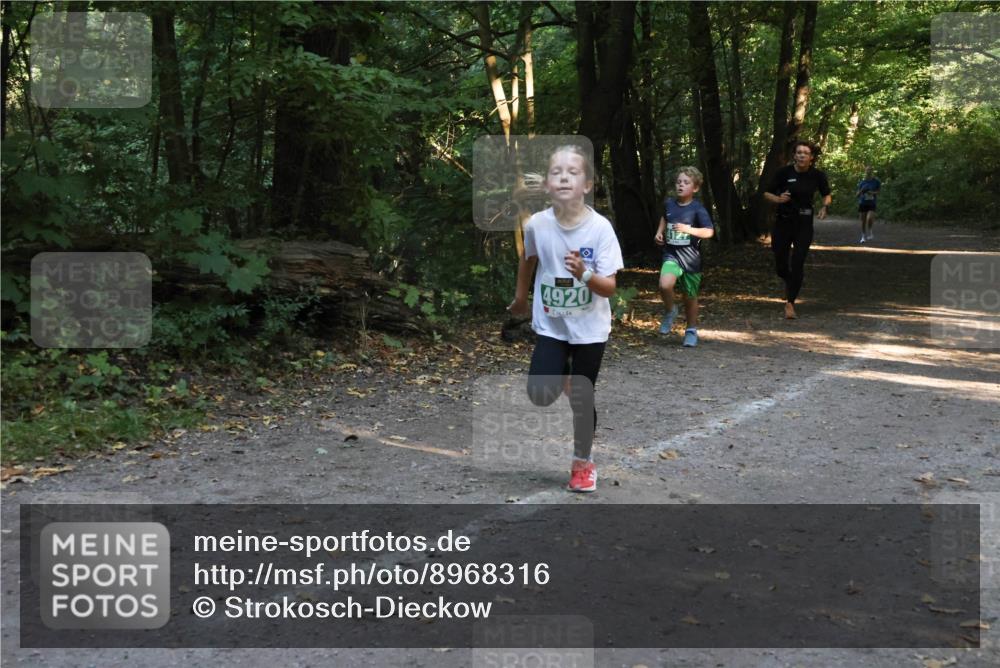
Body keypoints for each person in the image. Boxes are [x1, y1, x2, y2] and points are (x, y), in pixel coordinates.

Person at [508, 145, 624, 493]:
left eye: (572, 172)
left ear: (586, 185)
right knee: (539, 392)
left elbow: (610, 288)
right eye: (556, 172)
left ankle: (582, 463)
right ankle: (564, 379)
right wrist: (520, 298)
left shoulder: (600, 229)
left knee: (582, 398)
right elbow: (528, 260)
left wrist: (584, 274)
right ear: (546, 184)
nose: (563, 177)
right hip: (553, 324)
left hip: (590, 330)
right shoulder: (537, 225)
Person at [764, 140, 832, 319]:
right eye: (799, 152)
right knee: (781, 266)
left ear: (811, 157)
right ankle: (789, 281)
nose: (802, 155)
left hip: (804, 223)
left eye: (805, 153)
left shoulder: (817, 175)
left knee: (798, 262)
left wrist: (825, 207)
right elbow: (766, 192)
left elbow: (826, 194)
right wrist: (778, 199)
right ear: (794, 155)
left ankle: (790, 303)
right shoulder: (784, 173)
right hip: (783, 222)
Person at [653, 166, 715, 347]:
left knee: (690, 297)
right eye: (679, 182)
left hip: (690, 259)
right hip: (671, 254)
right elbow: (664, 218)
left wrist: (689, 230)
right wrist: (659, 233)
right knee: (665, 285)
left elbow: (709, 232)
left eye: (686, 182)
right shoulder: (669, 204)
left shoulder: (698, 208)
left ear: (695, 188)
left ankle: (691, 330)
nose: (681, 185)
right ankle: (671, 310)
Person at [856, 166, 881, 243]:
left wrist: (872, 193)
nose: (868, 171)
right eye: (867, 170)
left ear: (872, 171)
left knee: (869, 218)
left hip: (872, 203)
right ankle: (863, 236)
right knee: (863, 221)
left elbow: (879, 192)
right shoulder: (862, 182)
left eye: (870, 170)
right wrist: (862, 191)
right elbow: (857, 195)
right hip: (863, 203)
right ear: (865, 172)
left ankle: (870, 231)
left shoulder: (876, 182)